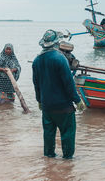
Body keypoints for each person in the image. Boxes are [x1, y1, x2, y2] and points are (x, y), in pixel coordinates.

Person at [32, 29, 85, 159]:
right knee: (67, 133)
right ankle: (67, 161)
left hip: (47, 106)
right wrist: (77, 100)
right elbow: (68, 83)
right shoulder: (60, 59)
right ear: (56, 43)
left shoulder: (36, 60)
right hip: (63, 106)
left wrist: (39, 100)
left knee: (49, 134)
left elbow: (36, 84)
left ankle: (49, 158)